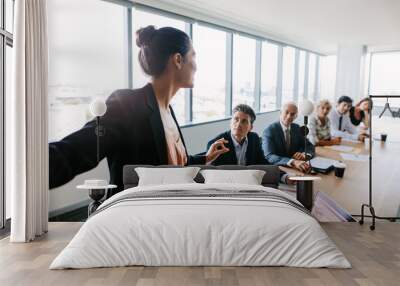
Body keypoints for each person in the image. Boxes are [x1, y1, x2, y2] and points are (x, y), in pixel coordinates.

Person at [49, 26, 229, 194]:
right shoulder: (128, 104)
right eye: (194, 56)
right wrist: (29, 168)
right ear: (178, 60)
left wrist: (206, 157)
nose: (196, 66)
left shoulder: (168, 111)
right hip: (134, 217)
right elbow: (76, 151)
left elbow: (174, 164)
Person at [207, 104, 292, 184]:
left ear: (250, 127)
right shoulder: (216, 145)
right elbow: (211, 174)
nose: (238, 124)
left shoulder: (254, 139)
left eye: (244, 121)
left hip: (249, 184)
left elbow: (264, 163)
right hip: (226, 186)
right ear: (230, 122)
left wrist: (284, 177)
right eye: (236, 119)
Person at [262, 102, 315, 173]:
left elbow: (309, 145)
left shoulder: (297, 128)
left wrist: (305, 154)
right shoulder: (269, 130)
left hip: (297, 169)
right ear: (280, 113)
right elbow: (269, 156)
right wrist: (293, 162)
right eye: (286, 112)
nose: (289, 116)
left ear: (296, 116)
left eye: (292, 114)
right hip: (278, 170)